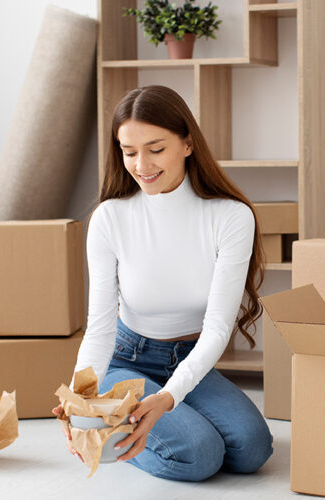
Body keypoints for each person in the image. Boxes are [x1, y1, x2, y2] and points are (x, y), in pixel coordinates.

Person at [52, 85, 273, 481]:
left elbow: (218, 328)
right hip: (127, 359)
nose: (141, 165)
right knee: (200, 456)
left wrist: (168, 397)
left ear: (187, 144)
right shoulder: (109, 219)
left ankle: (142, 423)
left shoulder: (231, 217)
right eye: (129, 151)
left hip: (191, 358)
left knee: (252, 449)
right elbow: (100, 326)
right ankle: (116, 434)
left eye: (156, 149)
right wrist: (80, 398)